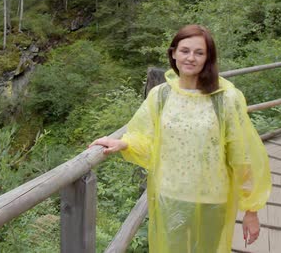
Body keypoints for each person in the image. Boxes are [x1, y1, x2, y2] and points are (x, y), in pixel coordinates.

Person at [90, 25, 271, 252]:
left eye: (199, 53)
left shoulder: (225, 98)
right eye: (185, 51)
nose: (191, 58)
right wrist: (123, 142)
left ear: (208, 58)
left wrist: (251, 210)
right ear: (173, 53)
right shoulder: (161, 95)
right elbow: (146, 137)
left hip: (211, 198)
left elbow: (241, 154)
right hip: (170, 195)